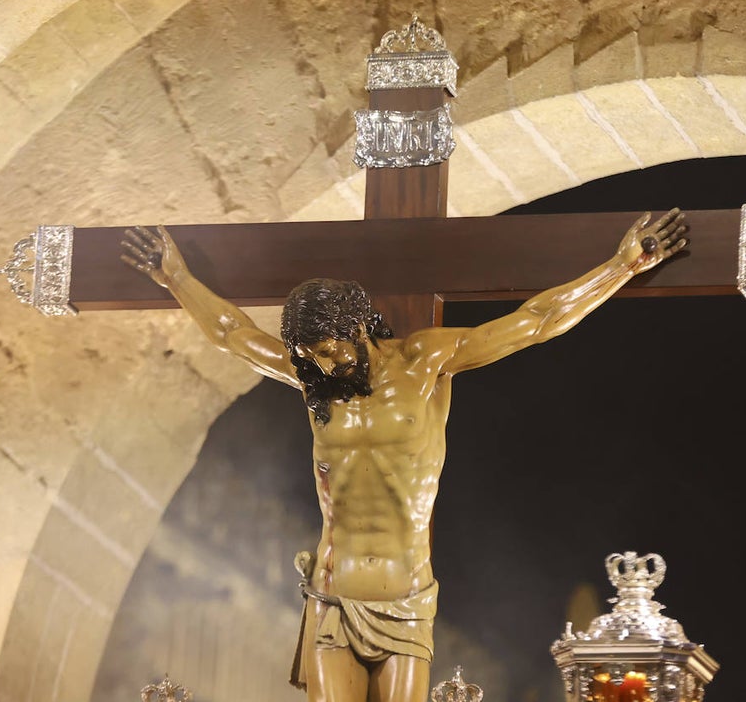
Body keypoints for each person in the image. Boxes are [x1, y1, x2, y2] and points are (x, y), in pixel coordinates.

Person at [120, 209, 688, 702]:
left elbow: (534, 322)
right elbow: (229, 330)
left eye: (328, 351)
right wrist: (174, 275)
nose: (320, 367)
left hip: (407, 596)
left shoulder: (425, 362)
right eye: (309, 358)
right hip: (332, 596)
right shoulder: (315, 381)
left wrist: (622, 267)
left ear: (356, 327)